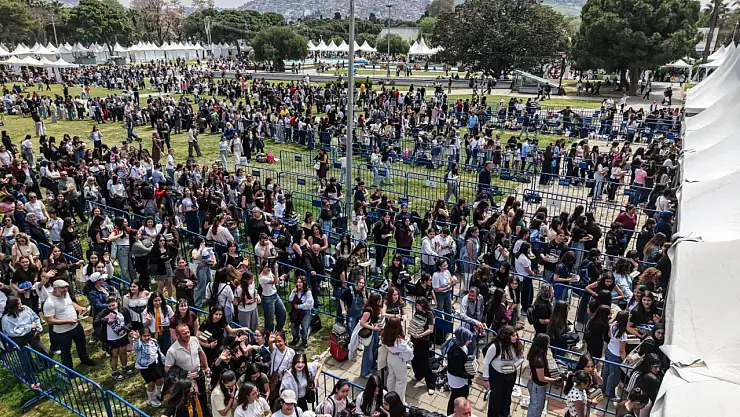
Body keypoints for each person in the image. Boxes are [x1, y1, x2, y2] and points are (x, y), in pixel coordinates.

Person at [42, 280, 95, 369]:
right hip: (63, 332)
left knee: (81, 344)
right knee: (66, 351)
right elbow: (50, 320)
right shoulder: (49, 303)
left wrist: (79, 308)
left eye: (66, 287)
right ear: (55, 289)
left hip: (76, 326)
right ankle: (69, 370)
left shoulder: (65, 295)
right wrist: (67, 321)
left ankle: (84, 359)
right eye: (62, 288)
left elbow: (70, 303)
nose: (66, 290)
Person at [164, 323, 211, 413]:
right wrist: (183, 374)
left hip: (199, 374)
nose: (187, 335)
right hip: (186, 381)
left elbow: (201, 353)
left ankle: (205, 412)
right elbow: (167, 369)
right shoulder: (172, 351)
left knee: (203, 396)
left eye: (188, 332)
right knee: (189, 401)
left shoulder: (194, 340)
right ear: (178, 335)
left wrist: (207, 367)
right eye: (184, 333)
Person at [94, 296, 133, 381]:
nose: (111, 307)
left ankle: (125, 367)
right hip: (111, 338)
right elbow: (96, 322)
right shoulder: (105, 312)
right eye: (109, 306)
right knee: (114, 355)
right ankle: (114, 372)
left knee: (123, 353)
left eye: (113, 305)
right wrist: (105, 320)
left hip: (122, 336)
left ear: (117, 302)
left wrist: (126, 328)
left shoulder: (123, 310)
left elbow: (129, 321)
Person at [526, 334, 561, 417]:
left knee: (534, 405)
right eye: (548, 342)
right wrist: (555, 380)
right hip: (538, 387)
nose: (549, 344)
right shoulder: (539, 360)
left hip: (534, 383)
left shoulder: (535, 353)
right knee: (536, 408)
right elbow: (541, 378)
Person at [131, 327, 166, 407]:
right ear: (141, 336)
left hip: (156, 364)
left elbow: (159, 352)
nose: (147, 337)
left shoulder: (154, 341)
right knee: (151, 383)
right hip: (145, 367)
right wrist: (136, 339)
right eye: (144, 336)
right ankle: (151, 399)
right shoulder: (140, 344)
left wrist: (164, 361)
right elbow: (136, 347)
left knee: (160, 380)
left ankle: (159, 393)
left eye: (148, 335)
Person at [381, 317, 414, 403]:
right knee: (401, 380)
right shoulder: (400, 342)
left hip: (390, 356)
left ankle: (390, 394)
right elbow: (409, 352)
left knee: (391, 376)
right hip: (398, 359)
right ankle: (399, 400)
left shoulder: (385, 335)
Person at [409, 296, 436, 395]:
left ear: (423, 305)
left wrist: (420, 335)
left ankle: (430, 384)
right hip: (414, 338)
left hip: (423, 341)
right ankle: (418, 374)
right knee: (414, 358)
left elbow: (430, 329)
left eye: (417, 305)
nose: (416, 307)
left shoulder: (430, 314)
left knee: (425, 362)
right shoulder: (418, 312)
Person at [446, 327, 475, 415]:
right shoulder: (455, 353)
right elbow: (456, 371)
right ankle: (452, 413)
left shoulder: (461, 345)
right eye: (468, 339)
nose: (470, 341)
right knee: (456, 399)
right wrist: (469, 375)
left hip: (460, 377)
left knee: (456, 398)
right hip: (457, 381)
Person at [602, 310, 629, 400]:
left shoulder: (613, 324)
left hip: (609, 350)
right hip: (616, 356)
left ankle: (603, 389)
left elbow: (609, 335)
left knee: (606, 371)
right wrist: (624, 361)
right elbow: (621, 350)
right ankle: (609, 394)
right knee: (613, 376)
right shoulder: (623, 335)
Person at [257, 260, 287, 331]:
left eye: (269, 267)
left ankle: (279, 329)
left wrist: (280, 278)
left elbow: (276, 280)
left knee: (282, 312)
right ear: (262, 267)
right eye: (266, 267)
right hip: (267, 299)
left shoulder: (269, 272)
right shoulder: (262, 278)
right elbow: (275, 281)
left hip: (275, 295)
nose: (268, 269)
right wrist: (276, 270)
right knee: (269, 319)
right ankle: (269, 333)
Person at [288, 276, 314, 348]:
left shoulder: (308, 293)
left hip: (305, 312)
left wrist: (299, 306)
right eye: (297, 282)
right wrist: (293, 293)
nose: (298, 284)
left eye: (300, 282)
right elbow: (290, 299)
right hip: (296, 312)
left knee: (304, 327)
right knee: (293, 325)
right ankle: (296, 338)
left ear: (304, 283)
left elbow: (309, 305)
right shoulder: (295, 291)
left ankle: (304, 340)